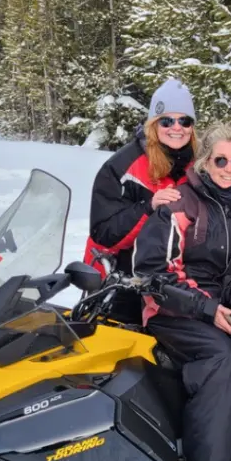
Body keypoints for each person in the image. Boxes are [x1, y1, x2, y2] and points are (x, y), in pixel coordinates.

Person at [132, 124, 231, 461]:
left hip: (227, 307)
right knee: (223, 361)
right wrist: (206, 309)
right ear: (205, 162)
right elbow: (153, 272)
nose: (229, 168)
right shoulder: (180, 202)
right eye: (221, 160)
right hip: (176, 310)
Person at [83, 78, 198, 323]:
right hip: (124, 276)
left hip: (179, 278)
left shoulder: (200, 164)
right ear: (153, 124)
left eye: (184, 120)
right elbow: (103, 233)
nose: (176, 128)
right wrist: (148, 208)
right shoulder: (122, 167)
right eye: (167, 120)